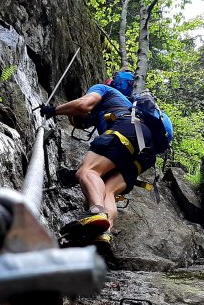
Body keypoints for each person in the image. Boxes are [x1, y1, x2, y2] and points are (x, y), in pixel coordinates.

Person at [37, 70, 158, 247]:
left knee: (87, 171)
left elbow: (84, 105)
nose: (84, 123)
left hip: (127, 130)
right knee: (107, 191)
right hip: (146, 152)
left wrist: (53, 110)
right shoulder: (122, 106)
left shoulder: (102, 89)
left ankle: (97, 212)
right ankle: (102, 234)